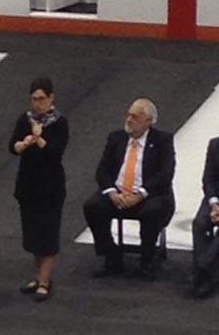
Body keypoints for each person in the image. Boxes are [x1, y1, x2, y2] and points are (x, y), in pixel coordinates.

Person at [83, 98, 175, 280]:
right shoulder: (116, 138)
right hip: (118, 192)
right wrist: (111, 192)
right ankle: (111, 255)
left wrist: (140, 194)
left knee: (152, 212)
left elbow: (165, 174)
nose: (129, 119)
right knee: (92, 207)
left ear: (148, 121)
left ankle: (146, 261)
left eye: (135, 117)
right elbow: (102, 170)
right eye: (129, 115)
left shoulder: (163, 141)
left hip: (148, 196)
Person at [9, 77, 69, 303]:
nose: (37, 104)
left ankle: (45, 281)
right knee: (33, 235)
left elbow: (56, 153)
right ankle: (39, 275)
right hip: (28, 184)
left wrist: (39, 138)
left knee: (48, 234)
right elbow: (12, 146)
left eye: (42, 99)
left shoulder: (59, 122)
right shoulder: (24, 120)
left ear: (51, 98)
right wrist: (23, 144)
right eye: (34, 99)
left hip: (50, 187)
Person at [191, 137, 219, 297]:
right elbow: (209, 179)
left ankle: (202, 272)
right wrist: (215, 204)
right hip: (215, 199)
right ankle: (207, 274)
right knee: (200, 223)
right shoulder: (215, 145)